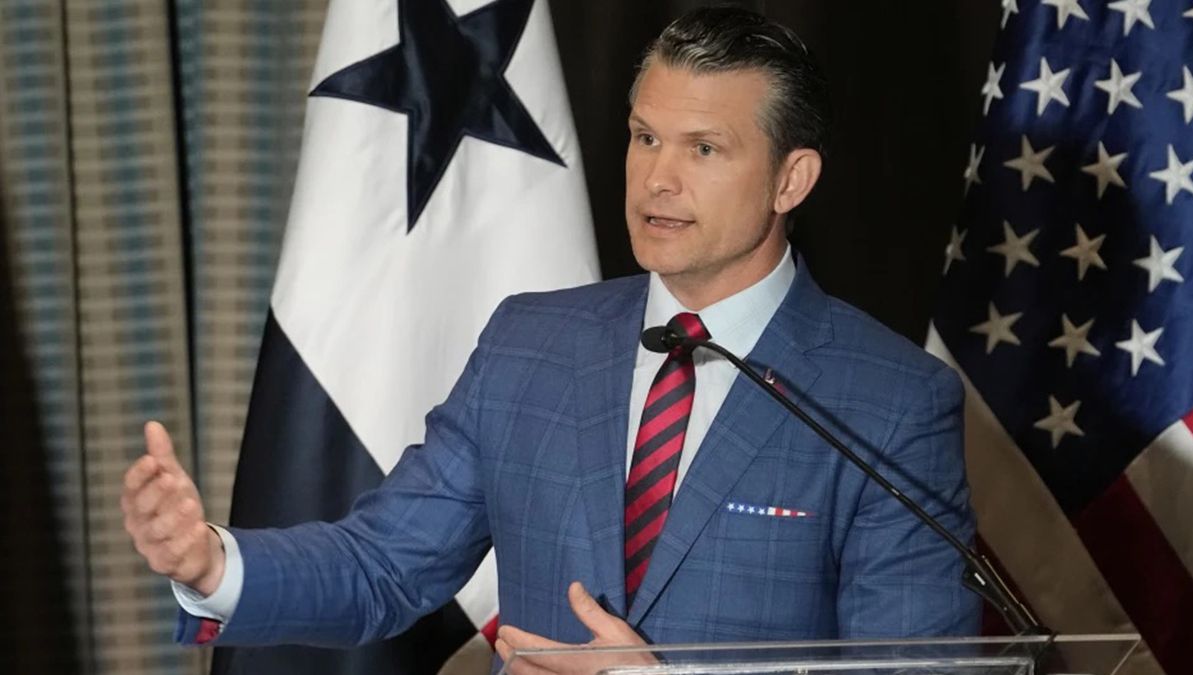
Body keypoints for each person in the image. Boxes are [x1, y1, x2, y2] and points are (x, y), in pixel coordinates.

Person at [121, 7, 980, 673]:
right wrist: (211, 562)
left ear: (792, 178)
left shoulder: (893, 401)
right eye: (645, 137)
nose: (658, 178)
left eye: (704, 149)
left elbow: (914, 667)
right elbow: (383, 564)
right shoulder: (530, 343)